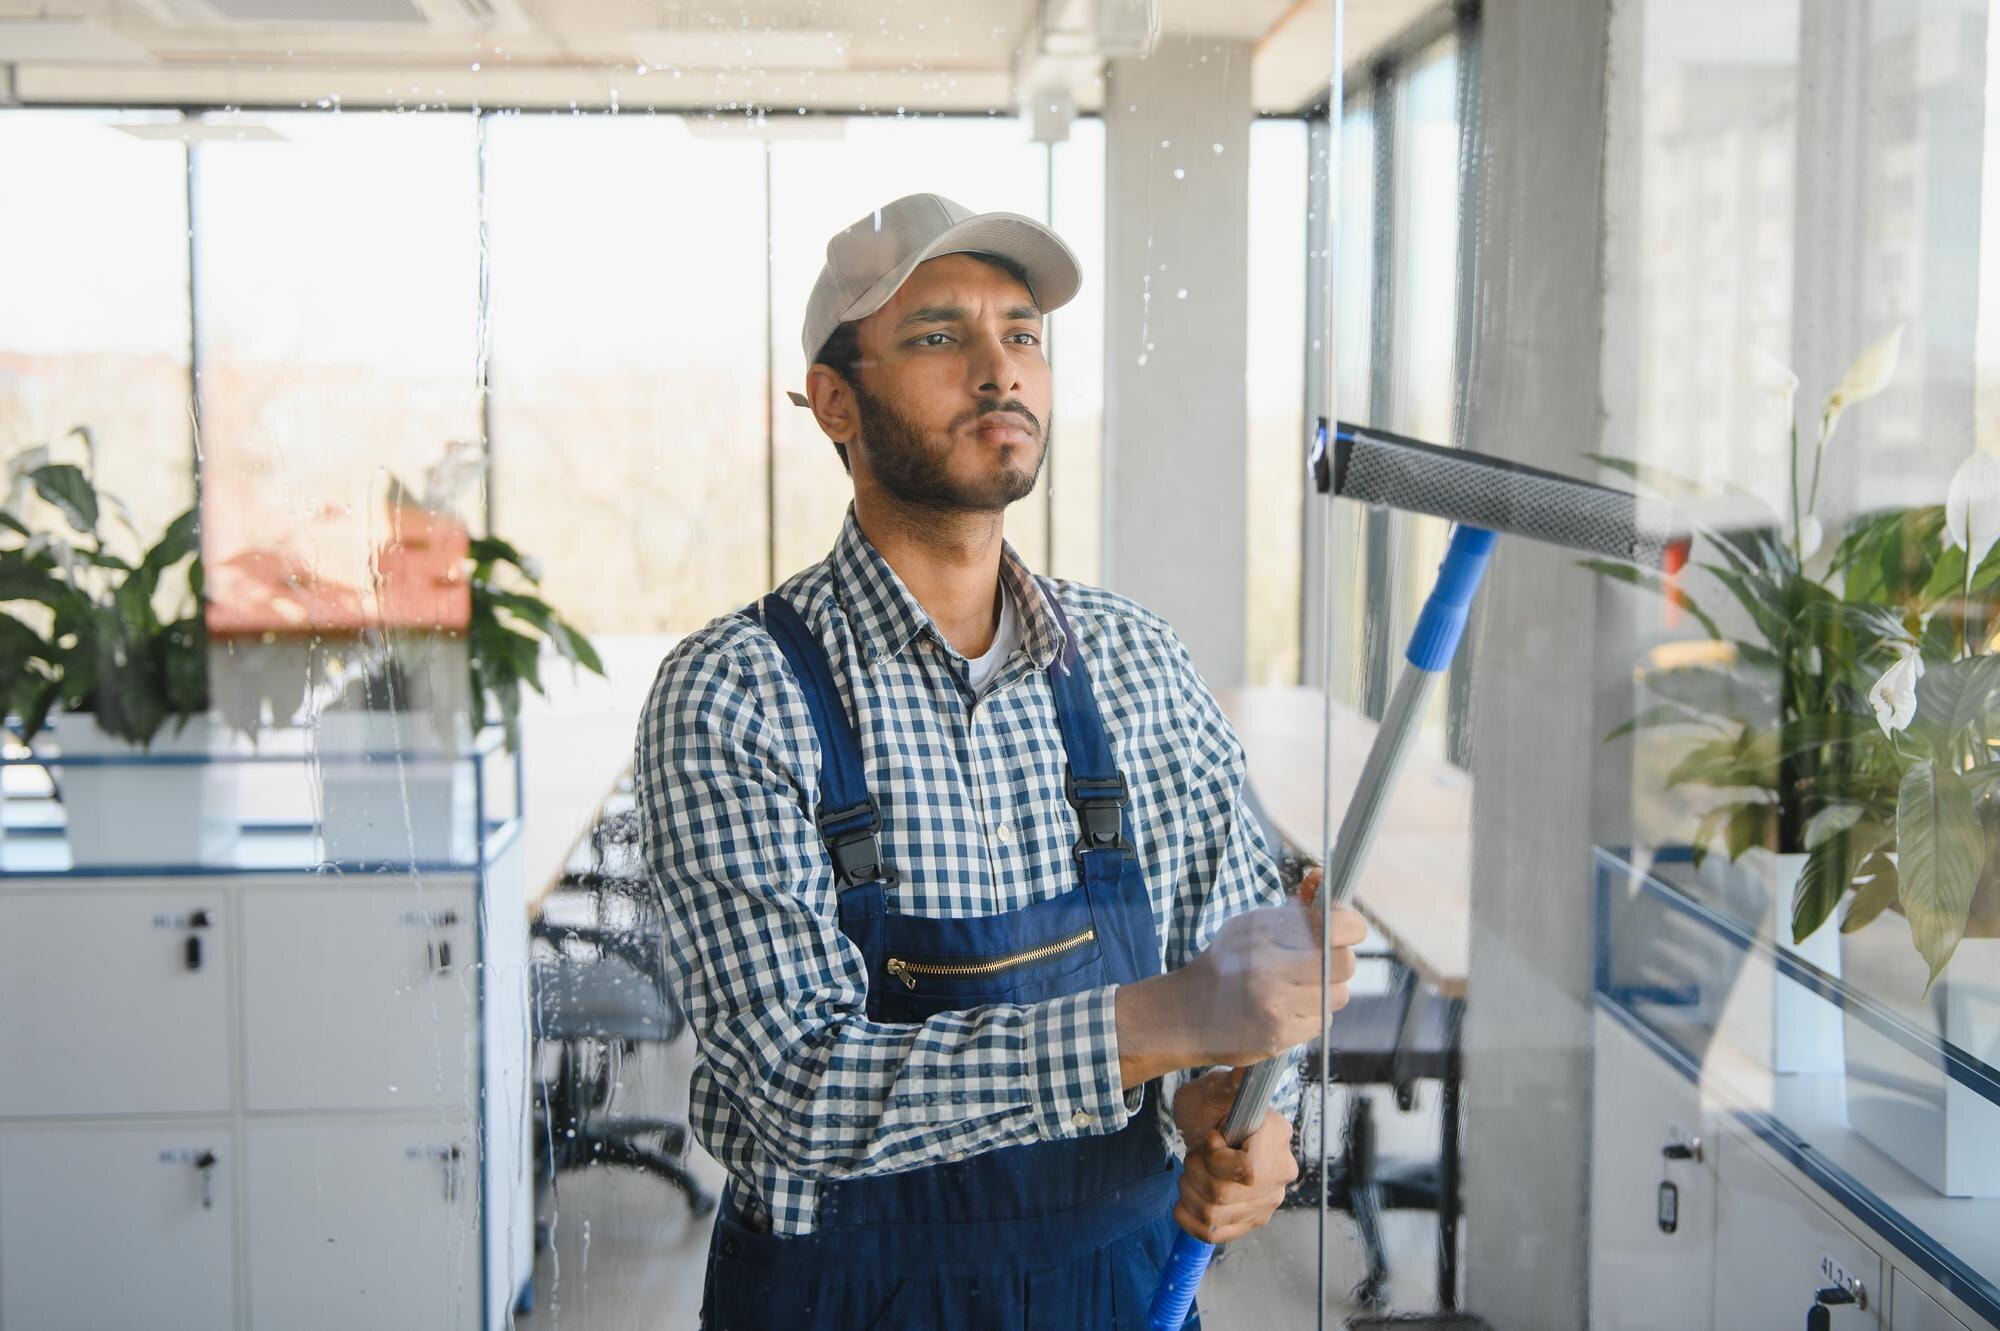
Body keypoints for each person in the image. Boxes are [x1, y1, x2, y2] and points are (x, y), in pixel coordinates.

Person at [634, 191, 1367, 1330]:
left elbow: (1227, 992)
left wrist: (1243, 1111)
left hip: (1114, 1285)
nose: (999, 369)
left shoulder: (1134, 659)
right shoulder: (735, 691)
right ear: (834, 400)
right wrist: (1171, 1016)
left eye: (1021, 333)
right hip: (844, 1301)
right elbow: (799, 1091)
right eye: (937, 335)